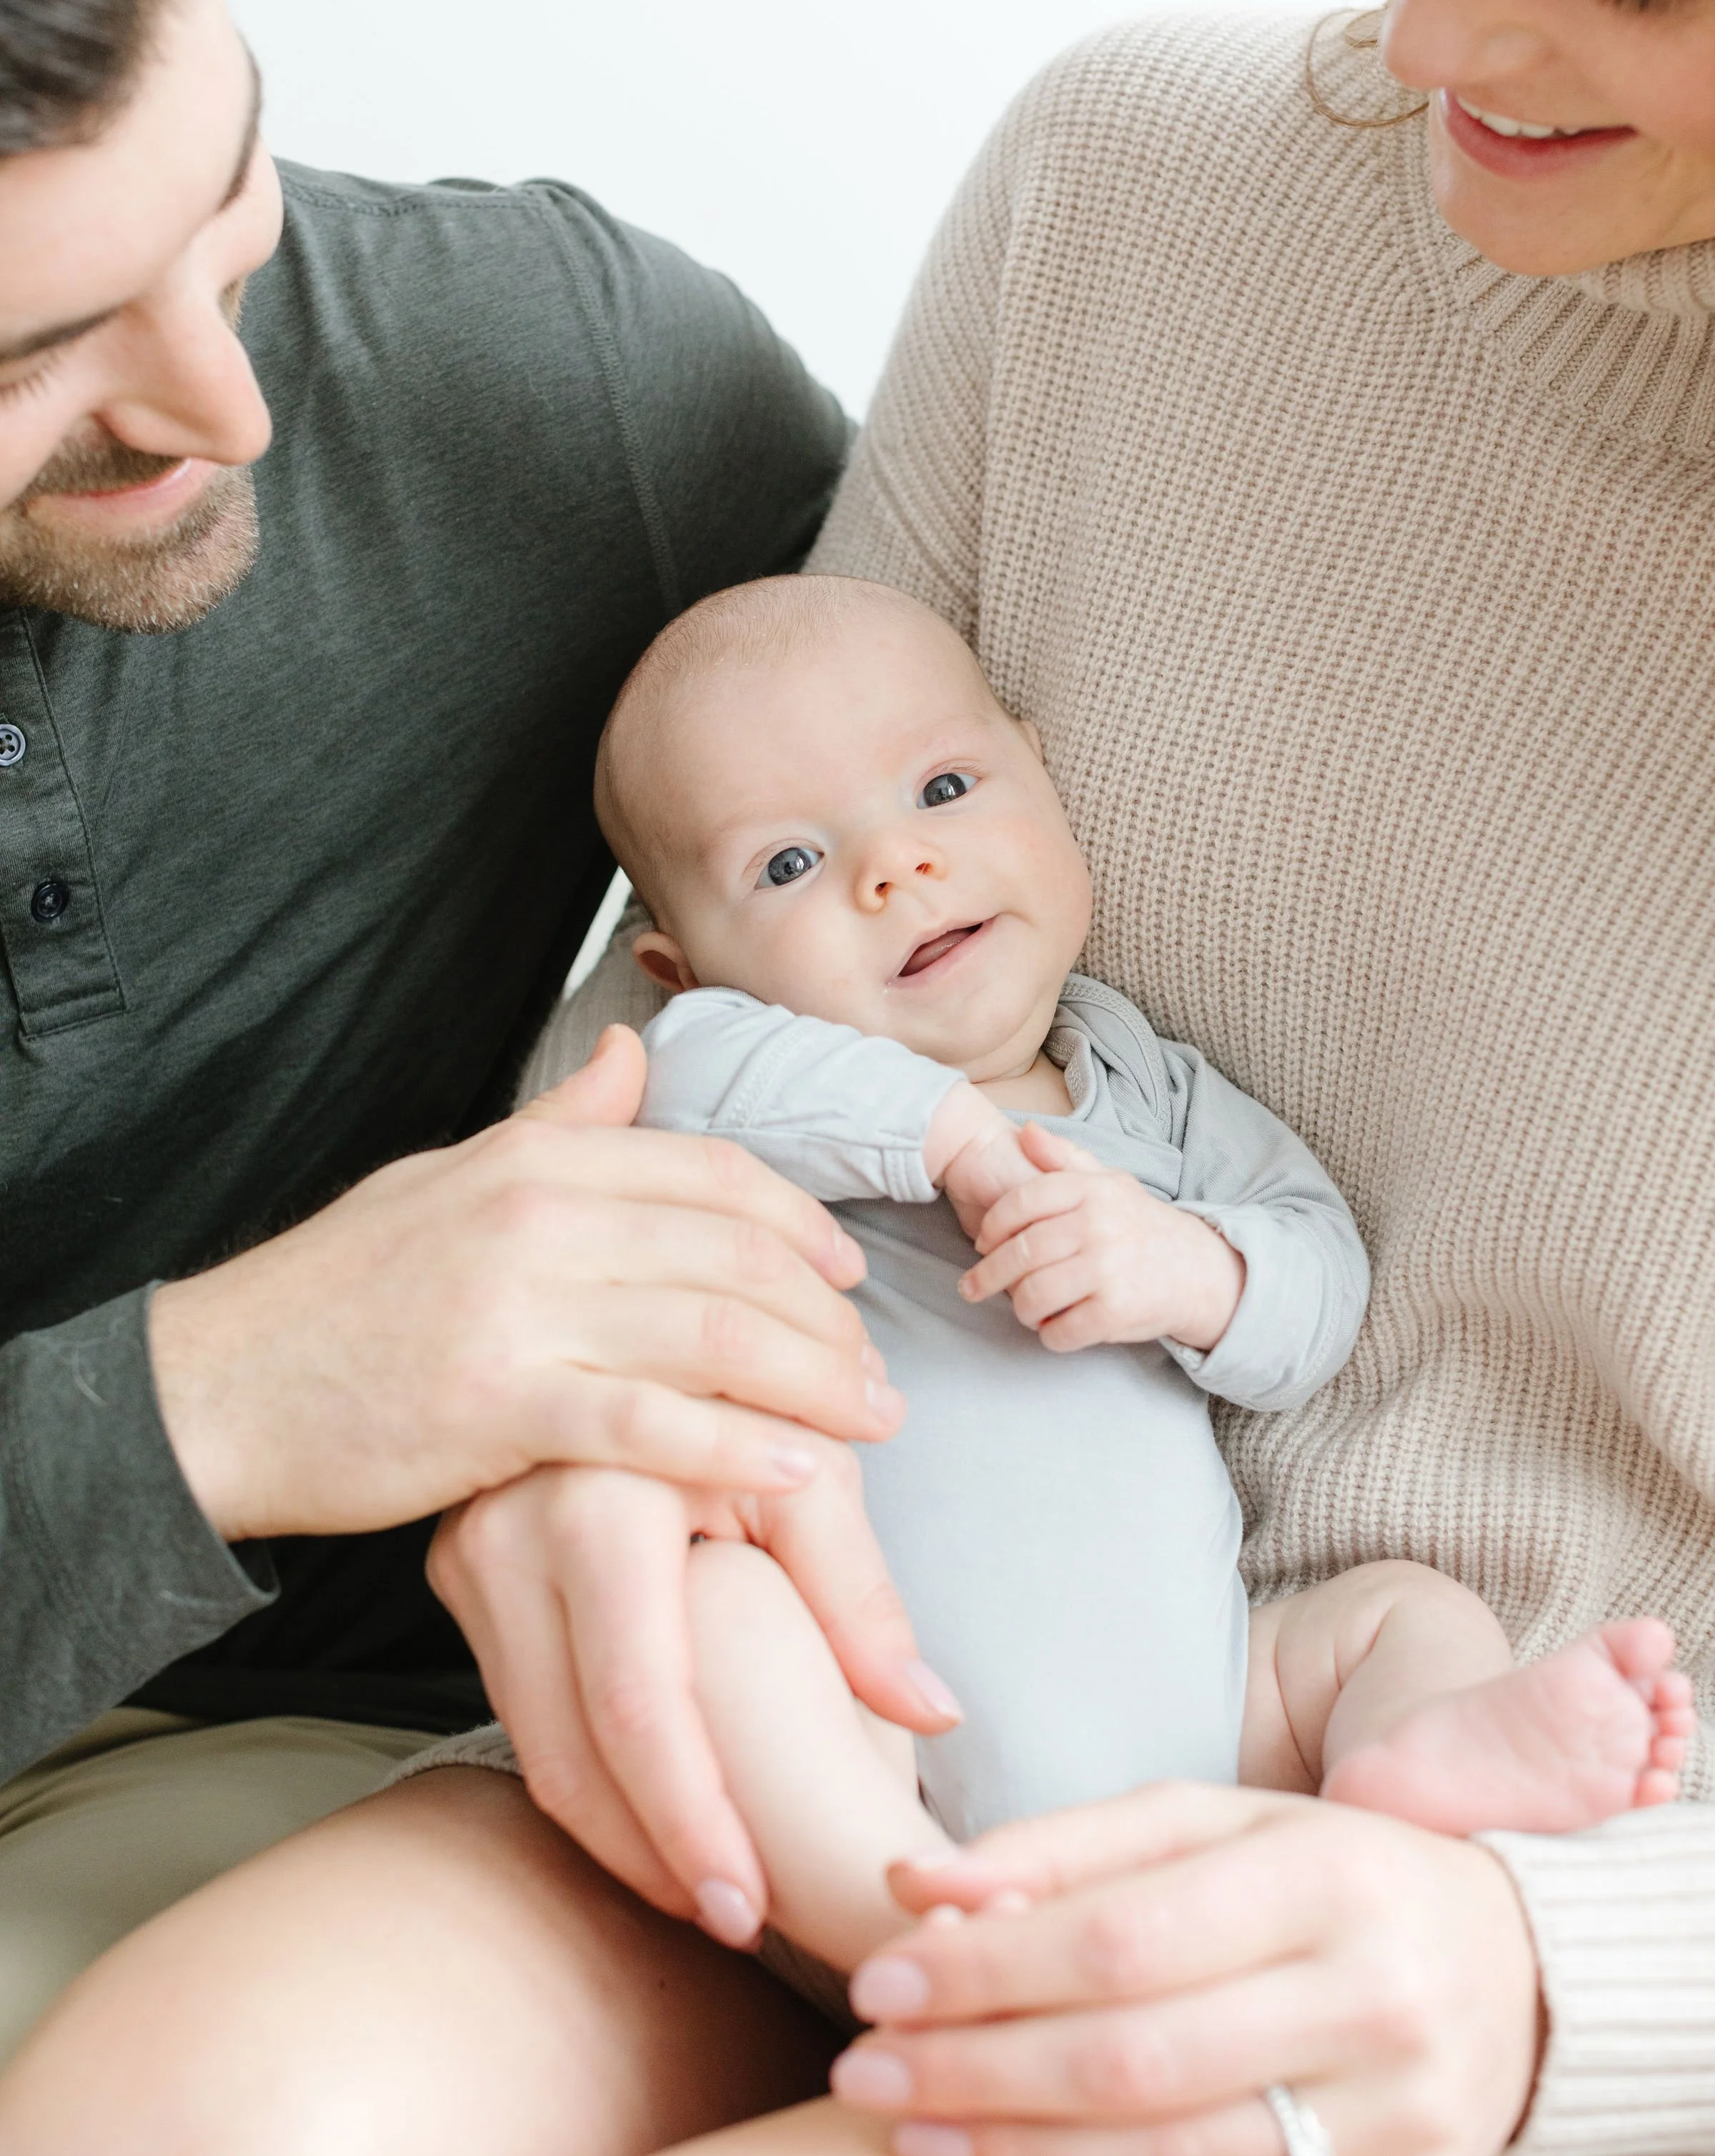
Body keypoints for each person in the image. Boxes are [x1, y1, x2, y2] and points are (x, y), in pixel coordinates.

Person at [3, 0, 1714, 2156]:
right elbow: (687, 963)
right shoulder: (1117, 201)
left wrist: (1563, 1967)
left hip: (1486, 1893)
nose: (1438, 23)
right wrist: (566, 1422)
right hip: (814, 1668)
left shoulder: (533, 375)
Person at [0, 0, 958, 2074]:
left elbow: (1004, 920)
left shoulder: (558, 392)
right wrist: (226, 1397)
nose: (228, 410)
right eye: (26, 351)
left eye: (226, 194)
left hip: (391, 1803)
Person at [421, 570, 1689, 2005]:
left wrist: (1187, 1268)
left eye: (946, 786)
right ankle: (920, 1940)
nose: (894, 869)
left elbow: (1316, 1272)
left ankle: (1406, 1785)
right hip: (885, 1757)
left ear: (1042, 773)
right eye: (787, 865)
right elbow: (684, 1082)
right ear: (677, 962)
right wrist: (947, 1134)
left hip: (1214, 1720)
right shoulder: (733, 1074)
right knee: (714, 1619)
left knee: (1405, 1611)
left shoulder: (1139, 1075)